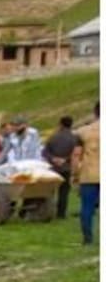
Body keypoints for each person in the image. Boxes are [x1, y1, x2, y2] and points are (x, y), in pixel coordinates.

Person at [73, 102, 100, 245]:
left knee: (87, 208)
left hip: (89, 173)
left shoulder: (83, 132)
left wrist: (75, 174)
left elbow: (76, 155)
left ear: (95, 112)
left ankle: (88, 238)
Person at [44, 115, 79, 219]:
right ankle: (61, 213)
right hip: (66, 167)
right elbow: (76, 153)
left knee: (50, 191)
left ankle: (48, 210)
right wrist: (65, 159)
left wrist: (53, 159)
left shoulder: (53, 137)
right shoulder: (74, 138)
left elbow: (46, 151)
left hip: (53, 167)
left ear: (60, 124)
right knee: (64, 192)